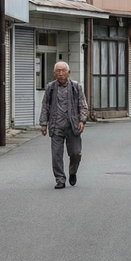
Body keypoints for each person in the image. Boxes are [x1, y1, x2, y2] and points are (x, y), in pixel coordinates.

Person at [39, 61, 89, 189]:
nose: (61, 73)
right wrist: (43, 123)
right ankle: (60, 179)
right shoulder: (50, 88)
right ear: (54, 73)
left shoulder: (76, 87)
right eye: (58, 71)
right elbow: (45, 106)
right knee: (56, 155)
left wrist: (82, 121)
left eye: (63, 70)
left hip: (73, 126)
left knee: (75, 153)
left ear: (68, 73)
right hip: (56, 126)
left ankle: (73, 172)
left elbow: (83, 105)